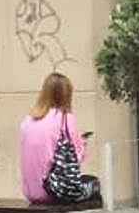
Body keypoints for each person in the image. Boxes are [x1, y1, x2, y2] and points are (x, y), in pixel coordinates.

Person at [20, 72, 96, 204]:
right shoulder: (65, 119)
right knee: (93, 184)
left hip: (30, 193)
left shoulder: (28, 121)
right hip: (53, 191)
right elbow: (76, 159)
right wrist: (83, 144)